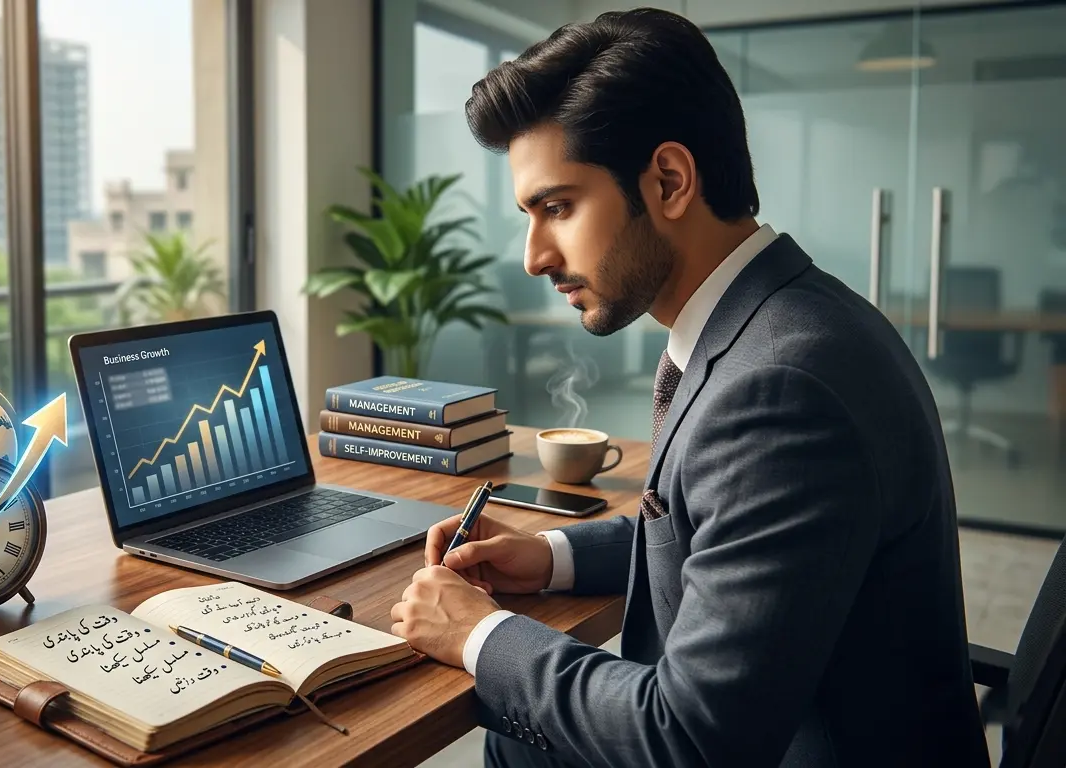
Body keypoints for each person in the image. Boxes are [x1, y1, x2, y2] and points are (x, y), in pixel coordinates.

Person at [387, 9, 990, 768]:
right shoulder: (778, 319)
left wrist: (476, 633)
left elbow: (690, 741)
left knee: (514, 728)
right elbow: (720, 533)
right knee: (522, 740)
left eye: (558, 207)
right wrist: (548, 555)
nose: (535, 255)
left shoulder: (780, 390)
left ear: (669, 181)